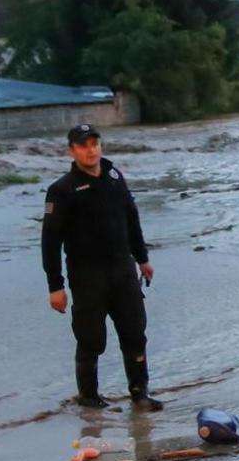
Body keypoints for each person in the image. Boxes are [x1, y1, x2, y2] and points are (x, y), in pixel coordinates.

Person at [41, 124, 164, 412]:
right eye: (83, 145)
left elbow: (131, 219)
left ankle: (139, 393)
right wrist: (55, 286)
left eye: (95, 143)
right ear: (72, 150)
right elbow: (50, 242)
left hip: (123, 271)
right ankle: (89, 397)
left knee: (135, 333)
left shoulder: (114, 176)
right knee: (91, 339)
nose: (91, 150)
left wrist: (143, 258)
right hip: (87, 277)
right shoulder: (61, 190)